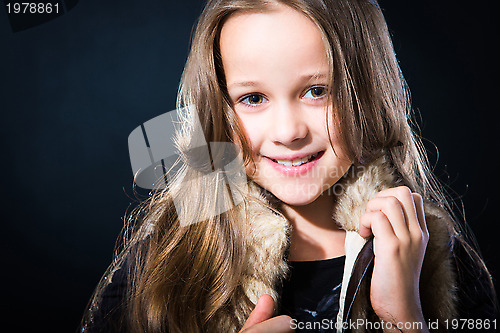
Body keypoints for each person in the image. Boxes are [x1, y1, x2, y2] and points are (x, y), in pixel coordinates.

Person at [80, 0, 498, 332]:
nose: (287, 131)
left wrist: (403, 315)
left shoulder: (440, 255)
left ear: (369, 96)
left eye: (317, 91)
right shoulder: (168, 252)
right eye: (253, 98)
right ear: (219, 112)